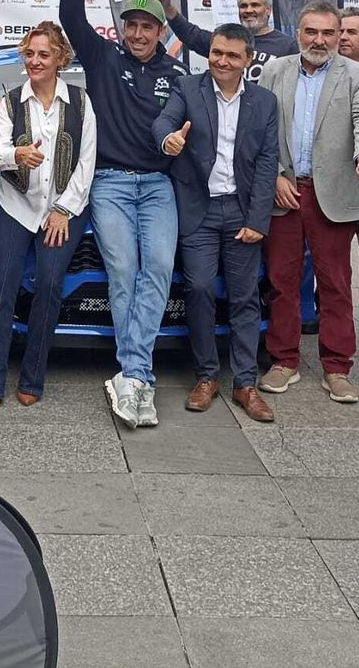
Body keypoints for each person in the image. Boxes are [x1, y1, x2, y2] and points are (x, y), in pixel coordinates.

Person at [62, 0, 186, 428]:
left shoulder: (178, 72)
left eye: (147, 26)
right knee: (123, 272)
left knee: (156, 268)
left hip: (158, 186)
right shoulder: (102, 58)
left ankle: (132, 374)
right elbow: (71, 15)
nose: (137, 33)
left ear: (159, 31)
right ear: (121, 28)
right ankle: (139, 375)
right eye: (131, 24)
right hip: (110, 183)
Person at [155, 23, 280, 421]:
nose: (221, 61)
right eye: (216, 53)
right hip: (199, 210)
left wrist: (259, 218)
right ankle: (206, 375)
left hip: (242, 211)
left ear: (248, 59)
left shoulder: (264, 102)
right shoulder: (188, 89)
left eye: (231, 55)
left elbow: (266, 163)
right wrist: (169, 139)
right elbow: (163, 122)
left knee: (245, 298)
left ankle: (245, 383)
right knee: (200, 289)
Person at [258, 2, 359, 404]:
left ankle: (337, 367)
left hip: (333, 192)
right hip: (286, 190)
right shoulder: (275, 70)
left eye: (329, 33)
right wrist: (274, 174)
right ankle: (284, 361)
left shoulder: (358, 75)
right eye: (312, 32)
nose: (320, 40)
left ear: (339, 35)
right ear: (298, 33)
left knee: (335, 284)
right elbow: (260, 128)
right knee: (282, 281)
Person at [0, 22, 95, 410]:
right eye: (30, 53)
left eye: (44, 54)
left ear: (60, 58)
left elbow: (87, 162)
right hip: (15, 204)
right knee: (4, 284)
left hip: (63, 209)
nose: (35, 61)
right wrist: (17, 156)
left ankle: (32, 378)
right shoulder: (10, 100)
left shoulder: (80, 101)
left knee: (48, 284)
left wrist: (63, 210)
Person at [154, 0, 298, 79]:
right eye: (243, 6)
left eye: (255, 5)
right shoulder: (226, 41)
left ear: (268, 10)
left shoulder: (288, 46)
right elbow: (192, 35)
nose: (248, 10)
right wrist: (168, 9)